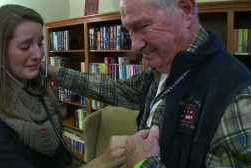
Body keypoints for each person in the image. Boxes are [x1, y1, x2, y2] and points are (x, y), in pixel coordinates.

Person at [44, 0, 251, 167]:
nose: (134, 46)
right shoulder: (162, 69)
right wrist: (54, 72)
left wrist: (142, 163)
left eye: (142, 26)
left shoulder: (237, 97)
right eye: (128, 30)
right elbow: (116, 89)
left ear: (186, 11)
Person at [0, 4, 126, 168]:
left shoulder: (44, 98)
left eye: (40, 44)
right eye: (25, 46)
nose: (38, 54)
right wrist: (103, 162)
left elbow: (64, 159)